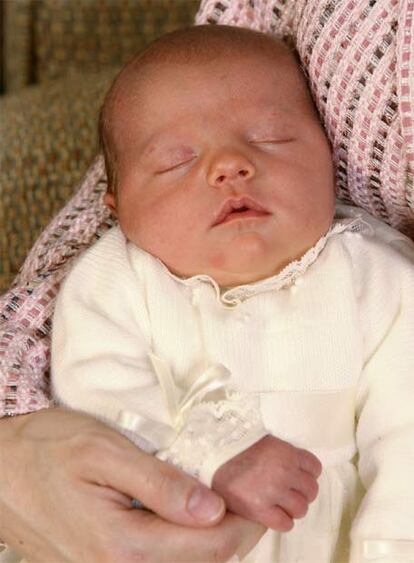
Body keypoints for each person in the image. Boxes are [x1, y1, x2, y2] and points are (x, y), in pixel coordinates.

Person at [1, 1, 414, 562]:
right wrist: (211, 452)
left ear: (330, 158)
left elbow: (406, 424)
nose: (229, 165)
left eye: (272, 138)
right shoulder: (114, 281)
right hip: (176, 518)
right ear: (118, 210)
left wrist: (392, 539)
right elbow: (97, 390)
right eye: (175, 161)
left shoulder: (378, 280)